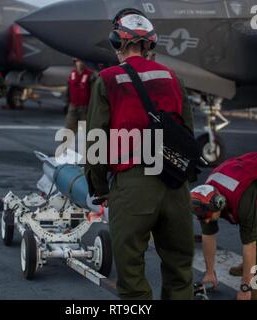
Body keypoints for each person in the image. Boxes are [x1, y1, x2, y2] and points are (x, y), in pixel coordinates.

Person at [85, 8, 195, 300]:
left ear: (117, 42)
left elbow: (96, 140)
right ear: (150, 44)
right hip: (174, 184)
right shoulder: (173, 78)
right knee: (180, 271)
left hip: (133, 185)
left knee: (132, 274)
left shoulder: (108, 78)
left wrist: (99, 188)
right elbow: (187, 135)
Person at [190, 152, 257, 300]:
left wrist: (245, 288)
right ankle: (248, 267)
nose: (206, 221)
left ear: (219, 204)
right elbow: (208, 236)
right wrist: (209, 272)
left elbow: (250, 244)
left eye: (207, 218)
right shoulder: (205, 199)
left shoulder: (240, 202)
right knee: (252, 230)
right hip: (250, 175)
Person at [65, 58, 94, 134]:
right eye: (78, 61)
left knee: (85, 133)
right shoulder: (72, 74)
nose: (80, 63)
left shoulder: (90, 75)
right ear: (75, 62)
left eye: (81, 61)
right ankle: (65, 146)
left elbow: (94, 92)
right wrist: (67, 103)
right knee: (68, 131)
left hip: (85, 109)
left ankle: (87, 146)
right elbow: (68, 90)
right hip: (73, 107)